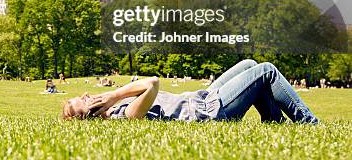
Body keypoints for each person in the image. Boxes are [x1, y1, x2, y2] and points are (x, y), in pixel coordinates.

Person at [61, 60, 319, 124]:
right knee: (266, 71)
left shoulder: (118, 106)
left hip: (201, 96)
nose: (86, 94)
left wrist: (112, 96)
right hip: (209, 110)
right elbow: (152, 83)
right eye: (84, 101)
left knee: (250, 66)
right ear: (92, 113)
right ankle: (310, 123)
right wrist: (113, 96)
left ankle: (273, 121)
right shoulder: (124, 115)